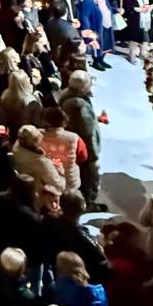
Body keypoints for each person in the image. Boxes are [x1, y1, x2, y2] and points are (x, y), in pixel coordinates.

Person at [59, 70, 102, 206]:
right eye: (89, 83)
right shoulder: (79, 105)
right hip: (83, 147)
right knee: (88, 175)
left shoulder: (66, 94)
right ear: (83, 86)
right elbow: (88, 133)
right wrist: (93, 156)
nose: (91, 85)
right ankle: (88, 201)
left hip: (75, 143)